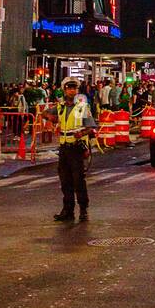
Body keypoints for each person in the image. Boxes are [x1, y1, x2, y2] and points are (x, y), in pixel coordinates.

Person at [54, 79, 94, 223]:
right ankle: (68, 210)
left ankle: (83, 209)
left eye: (74, 88)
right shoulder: (60, 107)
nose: (72, 91)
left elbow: (91, 127)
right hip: (64, 148)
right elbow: (49, 115)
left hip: (77, 148)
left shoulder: (83, 107)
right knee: (65, 182)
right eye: (69, 88)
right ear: (64, 90)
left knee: (78, 181)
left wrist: (81, 134)